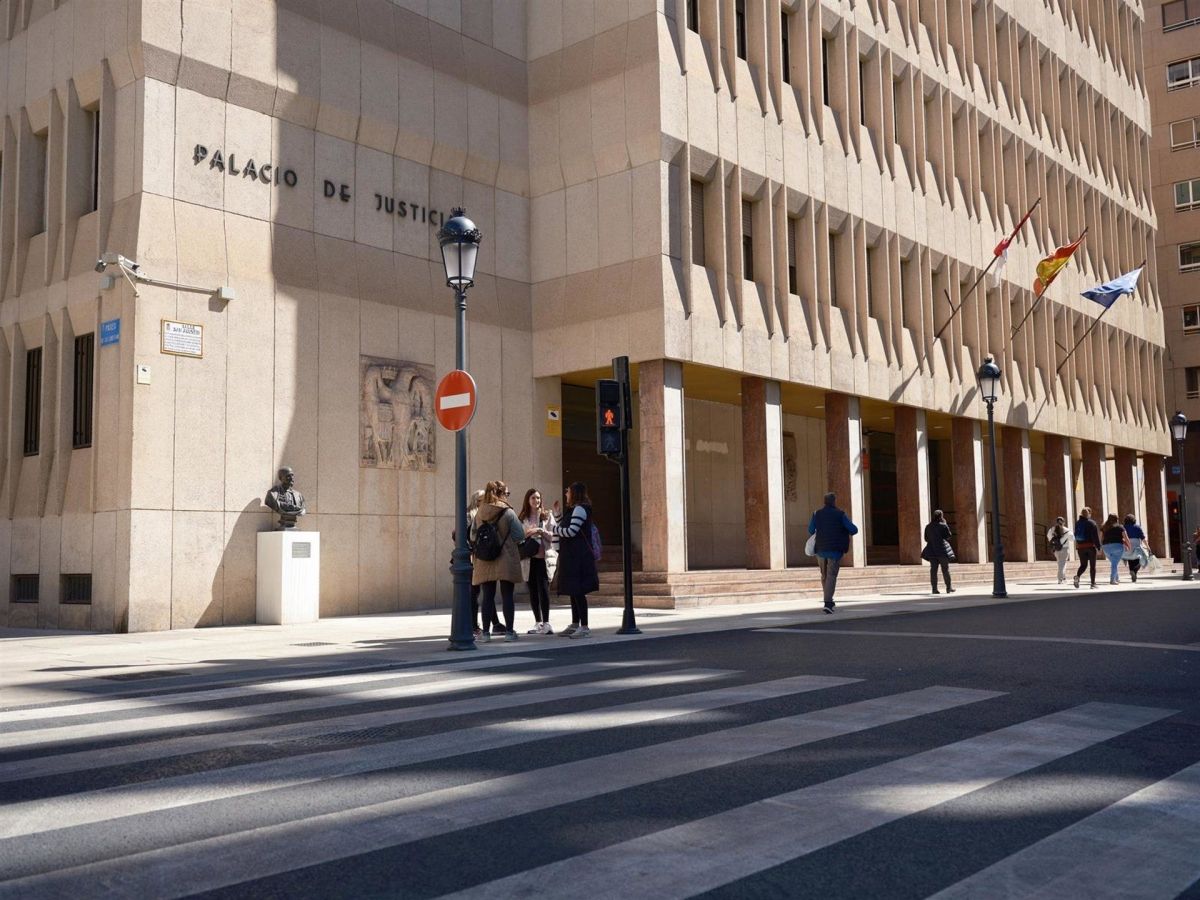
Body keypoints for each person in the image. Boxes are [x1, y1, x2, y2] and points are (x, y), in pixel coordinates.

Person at [470, 480, 524, 642]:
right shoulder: (508, 512)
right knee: (507, 595)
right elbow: (519, 535)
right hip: (506, 557)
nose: (507, 496)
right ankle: (509, 632)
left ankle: (486, 633)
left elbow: (472, 535)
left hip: (485, 558)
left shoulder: (479, 512)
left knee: (487, 596)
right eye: (507, 493)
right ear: (501, 494)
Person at [550, 482, 599, 638]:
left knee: (578, 591)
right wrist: (557, 515)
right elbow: (565, 527)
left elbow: (571, 531)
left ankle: (584, 626)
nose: (566, 494)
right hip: (572, 555)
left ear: (574, 493)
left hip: (578, 556)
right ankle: (575, 623)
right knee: (573, 590)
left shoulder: (580, 509)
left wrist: (551, 529)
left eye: (568, 491)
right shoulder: (574, 509)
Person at [807, 492, 859, 613]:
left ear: (824, 502)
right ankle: (828, 603)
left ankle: (828, 599)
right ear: (834, 501)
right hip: (835, 550)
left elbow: (810, 530)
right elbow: (854, 530)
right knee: (831, 576)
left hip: (820, 549)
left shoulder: (816, 513)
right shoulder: (840, 514)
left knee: (824, 575)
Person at [519, 488, 558, 634]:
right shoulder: (523, 517)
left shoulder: (547, 515)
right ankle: (538, 622)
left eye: (538, 498)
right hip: (529, 559)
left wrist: (541, 531)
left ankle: (546, 622)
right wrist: (532, 531)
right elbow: (519, 536)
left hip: (544, 558)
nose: (536, 501)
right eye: (533, 498)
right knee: (533, 590)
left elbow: (554, 535)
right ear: (528, 500)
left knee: (544, 589)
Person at [921, 510, 955, 594]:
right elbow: (948, 536)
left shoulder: (928, 526)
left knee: (933, 570)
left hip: (932, 550)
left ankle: (934, 589)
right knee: (945, 569)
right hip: (942, 550)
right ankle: (948, 588)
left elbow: (926, 538)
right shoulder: (943, 525)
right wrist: (945, 524)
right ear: (941, 516)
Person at [1073, 507, 1100, 589]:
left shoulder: (1077, 523)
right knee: (1092, 566)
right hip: (1090, 547)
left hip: (1081, 547)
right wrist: (1098, 547)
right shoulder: (1092, 523)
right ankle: (1093, 584)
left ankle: (1077, 576)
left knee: (1083, 565)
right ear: (1089, 514)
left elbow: (1075, 534)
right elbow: (1095, 537)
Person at [1099, 513, 1129, 585]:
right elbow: (1126, 538)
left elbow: (1100, 538)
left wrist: (1100, 547)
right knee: (1114, 563)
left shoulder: (1104, 527)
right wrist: (1129, 546)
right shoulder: (1120, 527)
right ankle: (1112, 580)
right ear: (1116, 519)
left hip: (1106, 548)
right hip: (1117, 547)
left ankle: (1116, 578)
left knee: (1114, 562)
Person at [1046, 516, 1073, 584]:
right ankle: (1060, 579)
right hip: (1065, 549)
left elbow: (1048, 537)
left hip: (1056, 549)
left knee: (1060, 563)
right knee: (1062, 564)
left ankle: (1063, 578)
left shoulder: (1052, 529)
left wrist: (1055, 542)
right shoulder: (1067, 530)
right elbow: (1072, 539)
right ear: (1064, 522)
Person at [1123, 513, 1146, 583]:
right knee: (1139, 559)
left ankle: (1133, 574)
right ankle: (1134, 571)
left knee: (1130, 560)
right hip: (1136, 545)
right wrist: (1148, 547)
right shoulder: (1137, 527)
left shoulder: (1124, 527)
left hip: (1127, 544)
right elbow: (1142, 538)